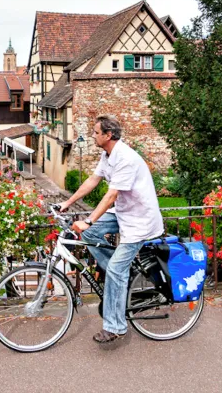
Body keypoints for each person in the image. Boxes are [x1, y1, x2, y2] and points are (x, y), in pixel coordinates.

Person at [59, 115, 164, 343]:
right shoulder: (107, 155)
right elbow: (92, 181)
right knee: (89, 233)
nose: (93, 135)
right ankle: (121, 275)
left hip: (140, 221)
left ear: (108, 135)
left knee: (114, 269)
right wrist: (66, 204)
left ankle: (115, 326)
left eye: (96, 132)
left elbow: (112, 195)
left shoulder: (125, 158)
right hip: (124, 214)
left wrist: (89, 219)